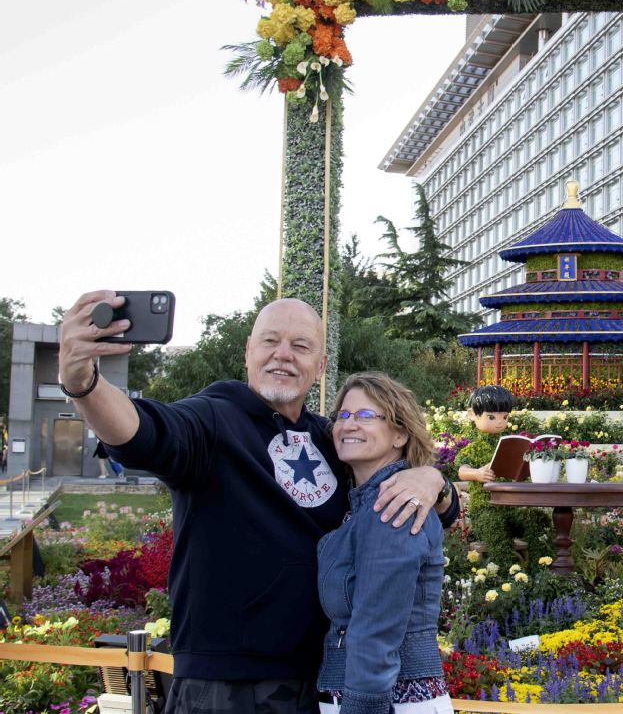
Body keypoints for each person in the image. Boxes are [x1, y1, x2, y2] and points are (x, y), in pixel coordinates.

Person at [57, 291, 459, 714]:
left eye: (300, 346)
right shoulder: (210, 421)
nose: (283, 355)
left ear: (320, 367)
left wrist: (432, 478)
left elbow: (439, 513)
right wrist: (84, 383)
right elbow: (142, 432)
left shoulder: (332, 439)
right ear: (248, 351)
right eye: (270, 341)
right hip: (227, 686)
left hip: (322, 682)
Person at [316, 373, 449, 714]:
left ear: (400, 434)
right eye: (343, 416)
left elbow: (376, 631)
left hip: (387, 700)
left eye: (365, 416)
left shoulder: (391, 505)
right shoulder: (366, 503)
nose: (349, 425)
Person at [455, 385, 550, 568]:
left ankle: (542, 567)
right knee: (495, 524)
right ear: (472, 415)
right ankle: (506, 571)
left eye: (504, 417)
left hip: (511, 508)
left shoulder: (509, 446)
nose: (499, 422)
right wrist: (477, 473)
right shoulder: (472, 449)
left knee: (537, 519)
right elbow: (462, 470)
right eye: (491, 417)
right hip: (486, 510)